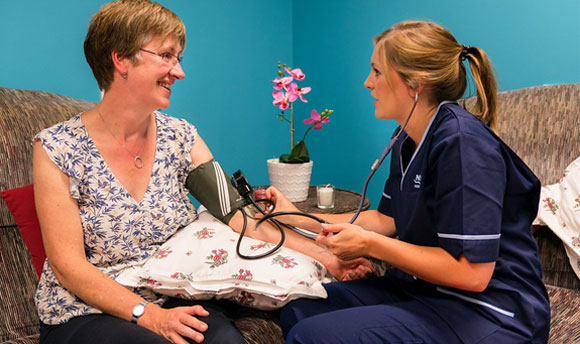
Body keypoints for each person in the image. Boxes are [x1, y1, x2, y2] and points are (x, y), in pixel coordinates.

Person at [32, 1, 371, 344]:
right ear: (120, 59)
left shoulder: (181, 137)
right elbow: (68, 266)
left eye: (178, 58)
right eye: (166, 56)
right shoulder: (57, 148)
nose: (179, 72)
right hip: (89, 309)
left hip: (174, 292)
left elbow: (241, 219)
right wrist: (147, 315)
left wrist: (329, 259)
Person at [264, 20, 551, 343]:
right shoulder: (406, 138)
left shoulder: (462, 144)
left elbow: (472, 274)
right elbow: (386, 221)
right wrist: (294, 217)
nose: (366, 83)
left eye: (376, 72)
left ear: (415, 84)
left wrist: (371, 246)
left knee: (312, 336)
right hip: (426, 292)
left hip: (491, 311)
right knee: (298, 311)